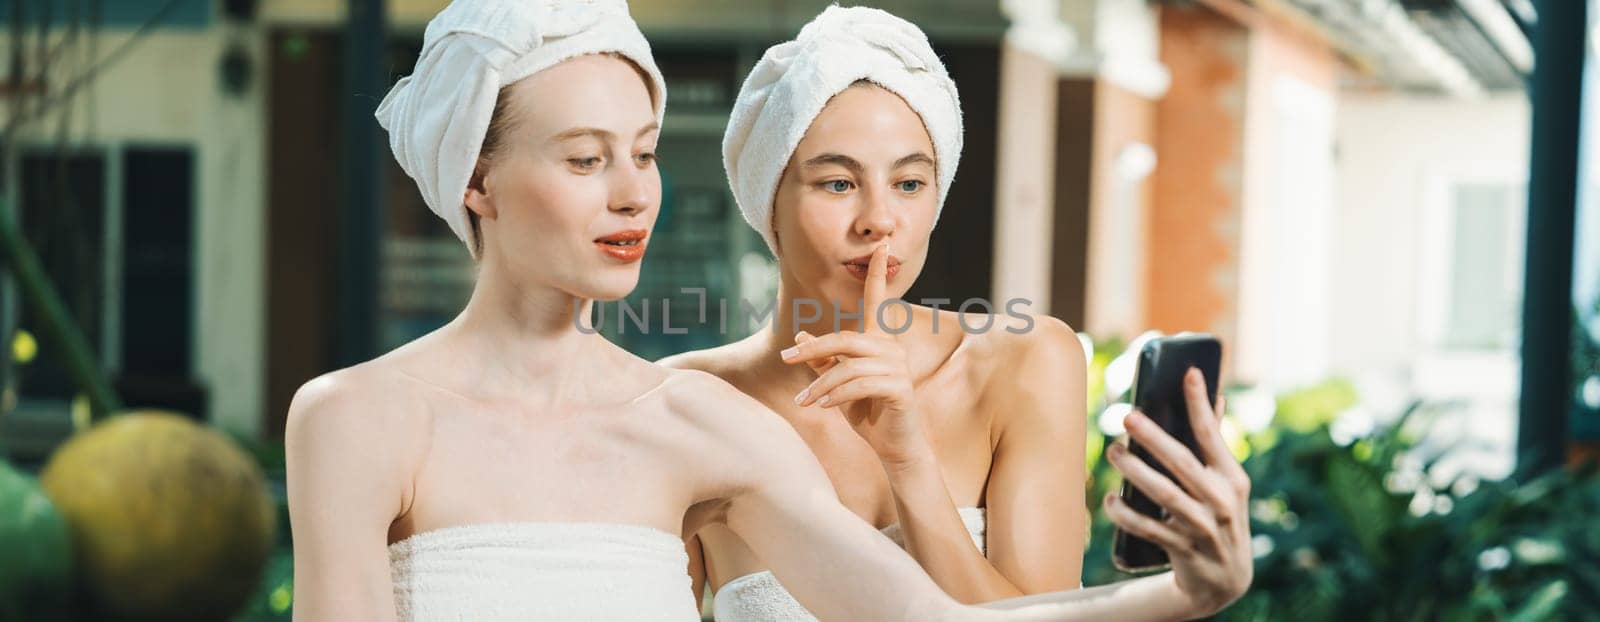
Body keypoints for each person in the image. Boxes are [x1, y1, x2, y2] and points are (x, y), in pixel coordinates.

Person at [285, 1, 1254, 620]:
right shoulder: (355, 418)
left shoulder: (700, 424)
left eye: (646, 151)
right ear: (476, 180)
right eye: (586, 159)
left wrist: (1187, 591)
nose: (632, 194)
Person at [658, 7, 1090, 618]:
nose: (879, 220)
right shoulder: (686, 401)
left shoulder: (1024, 362)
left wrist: (908, 460)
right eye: (837, 183)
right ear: (767, 200)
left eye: (909, 184)